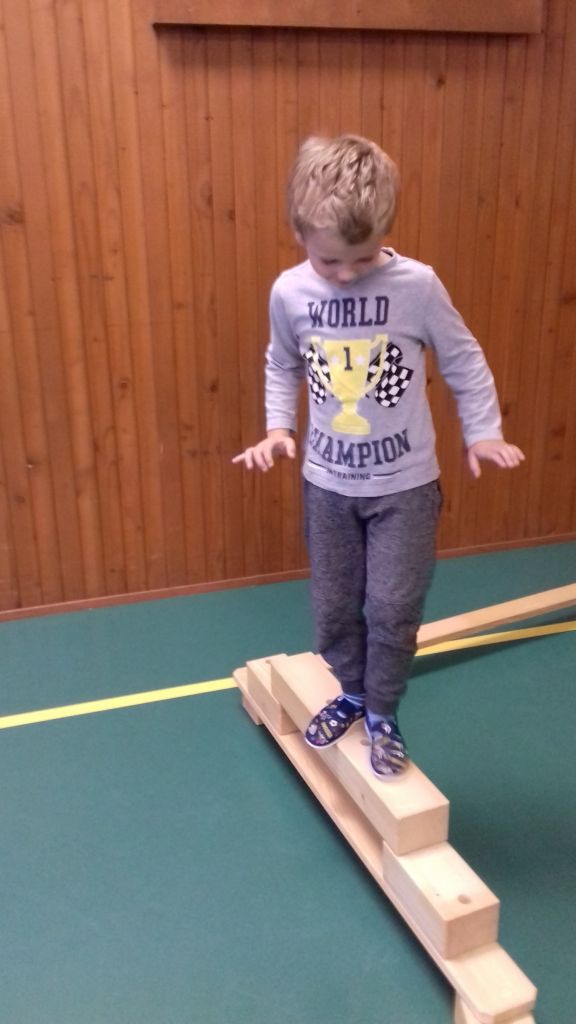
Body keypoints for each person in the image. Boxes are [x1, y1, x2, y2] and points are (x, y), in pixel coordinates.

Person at [233, 134, 524, 779]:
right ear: (300, 234)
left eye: (362, 259)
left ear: (385, 232)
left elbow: (463, 358)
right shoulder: (290, 292)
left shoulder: (416, 286)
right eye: (329, 260)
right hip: (327, 486)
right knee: (336, 608)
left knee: (393, 606)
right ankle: (352, 692)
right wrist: (278, 428)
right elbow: (281, 362)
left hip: (406, 487)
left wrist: (482, 431)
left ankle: (383, 710)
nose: (345, 275)